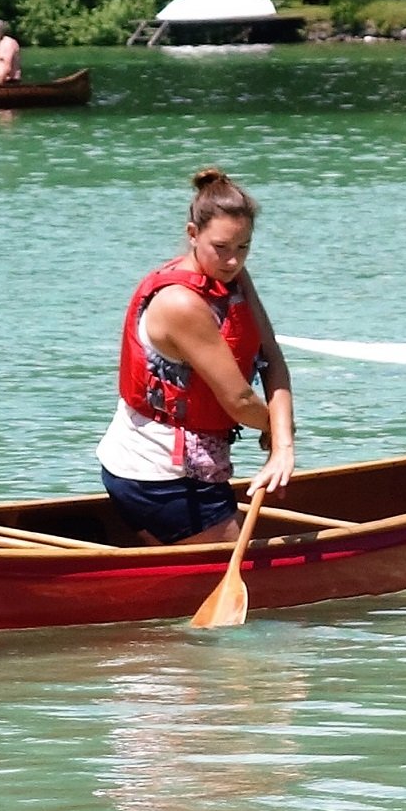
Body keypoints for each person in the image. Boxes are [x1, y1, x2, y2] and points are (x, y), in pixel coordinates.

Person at [97, 167, 296, 546]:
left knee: (183, 573)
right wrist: (277, 430)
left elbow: (270, 357)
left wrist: (283, 445)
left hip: (184, 472)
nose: (233, 261)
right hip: (158, 477)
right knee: (233, 573)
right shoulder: (180, 304)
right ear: (193, 235)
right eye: (220, 248)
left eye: (244, 248)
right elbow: (238, 400)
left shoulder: (231, 276)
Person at [0, 19, 21, 85]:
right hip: (5, 81)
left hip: (9, 83)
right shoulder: (3, 42)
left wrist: (0, 82)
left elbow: (7, 66)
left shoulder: (7, 43)